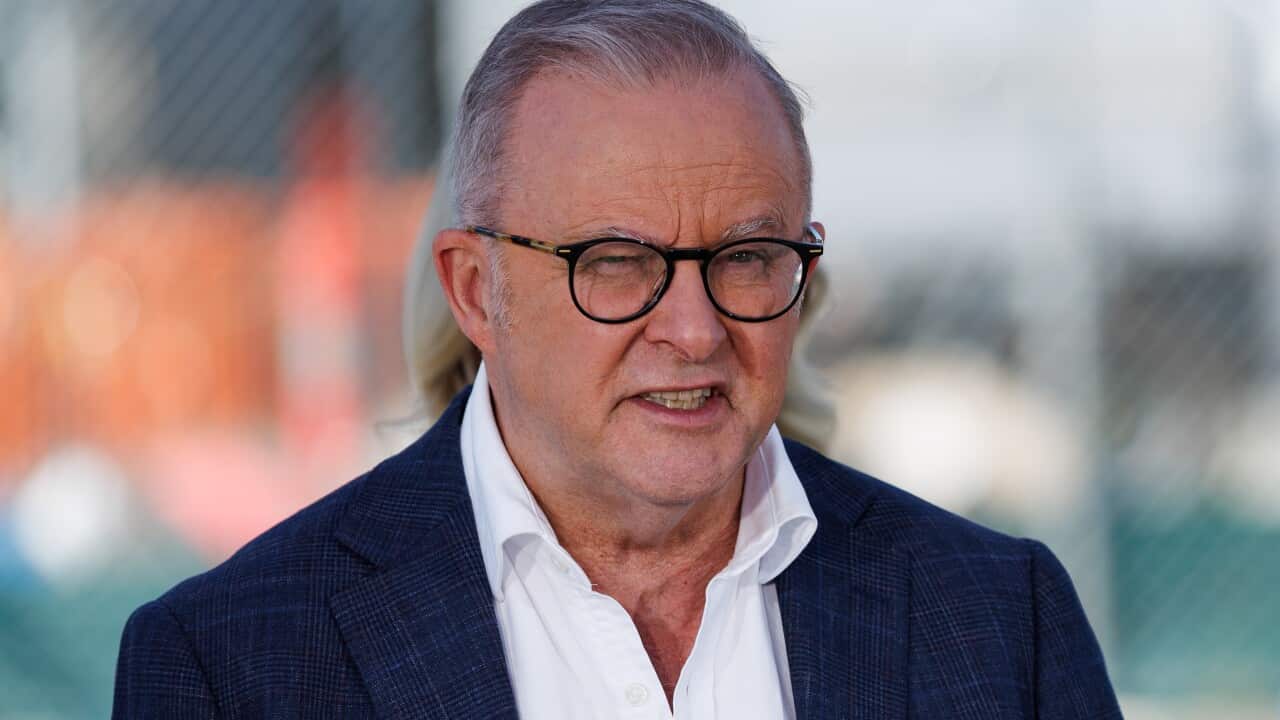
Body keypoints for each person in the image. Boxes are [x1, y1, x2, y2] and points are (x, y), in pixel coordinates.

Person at [113, 1, 1123, 717]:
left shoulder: (996, 622)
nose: (693, 330)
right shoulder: (232, 665)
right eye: (617, 263)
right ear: (475, 291)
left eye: (747, 257)